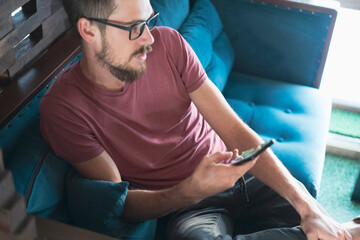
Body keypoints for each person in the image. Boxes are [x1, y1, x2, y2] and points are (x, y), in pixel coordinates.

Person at [40, 0, 360, 239]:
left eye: (149, 21)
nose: (149, 39)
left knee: (309, 204)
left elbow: (233, 128)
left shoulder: (169, 45)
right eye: (135, 28)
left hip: (238, 172)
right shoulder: (64, 109)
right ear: (88, 30)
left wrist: (307, 206)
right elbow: (121, 203)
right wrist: (191, 190)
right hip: (188, 205)